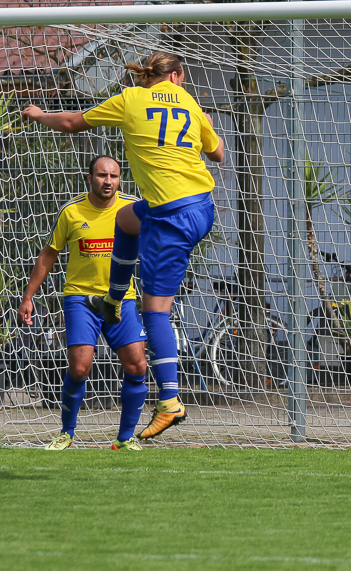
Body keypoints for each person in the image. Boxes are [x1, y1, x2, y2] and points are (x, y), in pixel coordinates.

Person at [22, 52, 224, 440]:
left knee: (156, 311)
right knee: (126, 219)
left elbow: (71, 122)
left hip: (172, 216)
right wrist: (206, 125)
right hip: (200, 206)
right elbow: (218, 154)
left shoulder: (131, 98)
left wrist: (39, 114)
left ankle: (169, 400)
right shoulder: (190, 103)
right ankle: (113, 299)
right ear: (177, 76)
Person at [18, 156, 148, 450]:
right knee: (79, 368)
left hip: (121, 299)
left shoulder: (133, 208)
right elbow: (48, 254)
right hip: (81, 298)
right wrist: (28, 297)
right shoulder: (71, 211)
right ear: (89, 178)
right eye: (102, 175)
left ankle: (125, 438)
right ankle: (66, 433)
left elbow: (156, 241)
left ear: (119, 179)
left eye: (113, 176)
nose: (108, 181)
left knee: (138, 365)